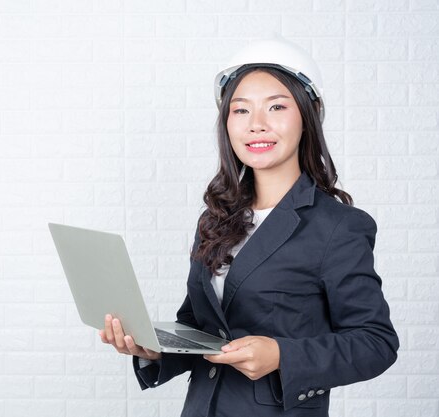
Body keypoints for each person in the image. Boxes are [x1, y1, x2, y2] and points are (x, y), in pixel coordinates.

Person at [99, 36, 399, 416]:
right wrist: (153, 349)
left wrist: (282, 354)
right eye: (240, 111)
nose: (256, 125)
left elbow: (376, 343)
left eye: (276, 106)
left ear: (307, 116)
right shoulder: (216, 219)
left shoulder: (338, 227)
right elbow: (200, 326)